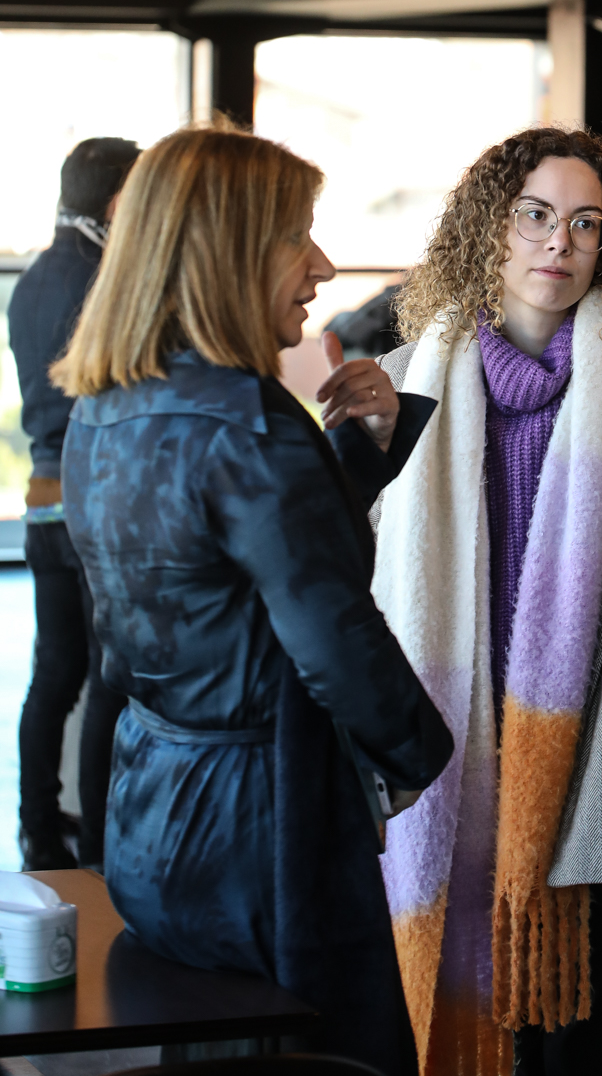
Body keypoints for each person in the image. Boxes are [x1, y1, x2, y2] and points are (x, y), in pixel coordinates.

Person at [55, 123, 454, 1076]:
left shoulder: (104, 407)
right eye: (299, 237)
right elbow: (331, 630)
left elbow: (231, 580)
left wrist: (354, 448)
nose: (321, 265)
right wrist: (421, 761)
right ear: (229, 249)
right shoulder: (247, 424)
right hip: (267, 832)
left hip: (152, 807)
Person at [318, 126, 602, 1076]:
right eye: (534, 215)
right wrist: (355, 454)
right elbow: (347, 566)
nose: (558, 244)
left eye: (586, 223)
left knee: (584, 1038)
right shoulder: (416, 368)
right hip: (452, 747)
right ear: (489, 225)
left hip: (601, 754)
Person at [9, 135, 139, 871]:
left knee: (52, 673)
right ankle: (95, 840)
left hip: (42, 500)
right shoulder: (102, 282)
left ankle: (36, 827)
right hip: (94, 500)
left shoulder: (31, 280)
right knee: (105, 676)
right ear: (119, 200)